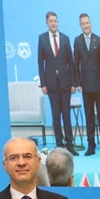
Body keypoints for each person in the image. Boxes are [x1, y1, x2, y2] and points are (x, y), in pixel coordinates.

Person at [37, 11, 76, 155]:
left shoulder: (65, 38)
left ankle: (70, 145)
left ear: (58, 22)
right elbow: (40, 62)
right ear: (47, 23)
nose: (53, 23)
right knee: (56, 115)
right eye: (51, 21)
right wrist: (43, 84)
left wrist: (73, 83)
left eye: (55, 21)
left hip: (65, 83)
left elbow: (71, 62)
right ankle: (59, 145)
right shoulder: (42, 38)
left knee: (66, 115)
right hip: (51, 83)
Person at [73, 13, 100, 155]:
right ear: (80, 25)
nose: (86, 25)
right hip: (86, 85)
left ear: (91, 24)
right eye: (83, 23)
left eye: (87, 23)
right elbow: (76, 63)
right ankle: (91, 144)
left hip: (99, 84)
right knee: (89, 116)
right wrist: (77, 82)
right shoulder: (77, 41)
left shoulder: (98, 40)